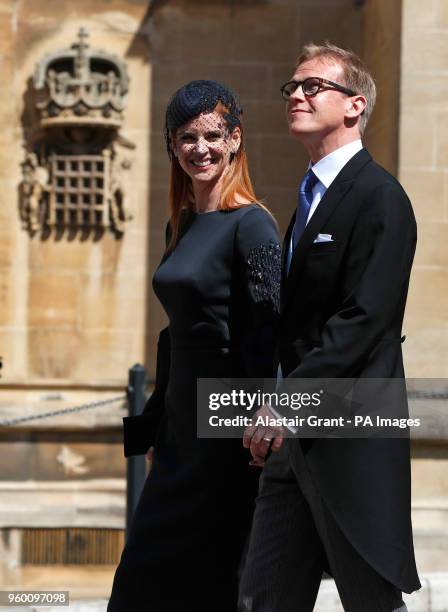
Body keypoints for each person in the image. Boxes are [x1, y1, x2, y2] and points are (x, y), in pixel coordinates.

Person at [239, 43, 421, 611]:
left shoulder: (380, 197)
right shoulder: (309, 198)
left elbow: (365, 319)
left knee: (369, 598)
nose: (295, 94)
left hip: (347, 431)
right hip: (292, 441)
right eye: (291, 87)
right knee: (263, 596)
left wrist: (285, 402)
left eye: (312, 86)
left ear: (354, 105)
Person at [107, 80, 281, 612]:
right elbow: (176, 336)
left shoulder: (253, 225)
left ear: (234, 139)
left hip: (227, 430)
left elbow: (268, 330)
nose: (199, 148)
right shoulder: (179, 225)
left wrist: (266, 412)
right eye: (186, 137)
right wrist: (161, 424)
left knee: (210, 581)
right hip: (181, 426)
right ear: (172, 146)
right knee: (142, 581)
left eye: (211, 134)